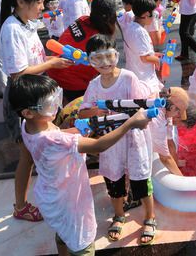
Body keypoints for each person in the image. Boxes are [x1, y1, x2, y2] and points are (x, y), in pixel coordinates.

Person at [8, 74, 151, 255]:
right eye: (49, 103)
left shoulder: (29, 126)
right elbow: (100, 145)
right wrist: (130, 123)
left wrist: (78, 130)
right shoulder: (56, 140)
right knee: (82, 244)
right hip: (71, 203)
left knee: (62, 232)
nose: (56, 106)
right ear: (28, 112)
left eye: (56, 98)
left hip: (51, 196)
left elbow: (56, 137)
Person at [0, 0, 73, 222]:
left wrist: (53, 59)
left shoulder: (27, 24)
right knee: (28, 154)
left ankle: (49, 192)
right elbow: (17, 72)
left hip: (37, 92)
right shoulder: (11, 28)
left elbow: (34, 58)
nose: (42, 7)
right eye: (39, 2)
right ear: (20, 1)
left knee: (42, 148)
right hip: (23, 99)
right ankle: (20, 206)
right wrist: (51, 63)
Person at [78, 35, 157, 245]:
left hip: (133, 140)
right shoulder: (94, 85)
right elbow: (82, 113)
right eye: (98, 58)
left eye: (109, 56)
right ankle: (119, 214)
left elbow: (143, 108)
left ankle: (150, 217)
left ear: (117, 55)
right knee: (114, 182)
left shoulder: (128, 78)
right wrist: (97, 110)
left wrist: (136, 115)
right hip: (111, 143)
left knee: (141, 181)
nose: (105, 63)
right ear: (90, 61)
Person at [47, 0, 117, 103]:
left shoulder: (82, 19)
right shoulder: (99, 39)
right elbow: (105, 69)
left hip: (53, 69)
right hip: (72, 82)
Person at [123, 0, 163, 95]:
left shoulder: (130, 26)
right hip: (144, 80)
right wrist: (158, 60)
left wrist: (153, 55)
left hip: (136, 75)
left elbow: (139, 52)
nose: (153, 18)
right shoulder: (139, 32)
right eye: (153, 14)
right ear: (145, 15)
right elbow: (145, 58)